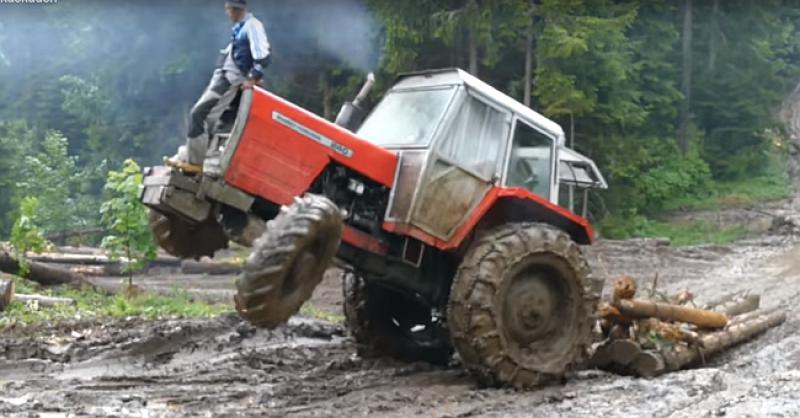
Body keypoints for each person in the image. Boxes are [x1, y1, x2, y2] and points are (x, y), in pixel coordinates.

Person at [170, 0, 271, 171]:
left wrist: (253, 78)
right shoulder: (240, 26)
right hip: (222, 77)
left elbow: (262, 56)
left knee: (199, 115)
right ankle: (189, 154)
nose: (226, 12)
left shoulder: (252, 25)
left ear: (234, 9)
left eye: (228, 9)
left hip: (229, 80)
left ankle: (194, 162)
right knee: (209, 120)